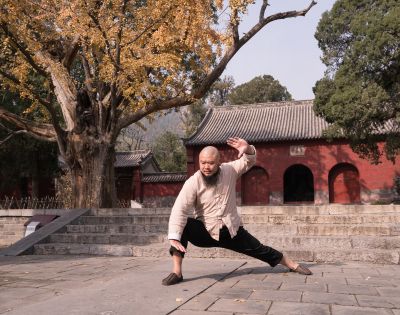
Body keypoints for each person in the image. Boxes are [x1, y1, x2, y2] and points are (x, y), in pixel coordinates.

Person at [162, 137, 312, 286]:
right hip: (206, 231)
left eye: (211, 163)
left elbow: (249, 161)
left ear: (218, 162)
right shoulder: (193, 182)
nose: (206, 167)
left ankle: (292, 264)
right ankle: (177, 272)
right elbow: (179, 208)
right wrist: (175, 236)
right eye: (203, 163)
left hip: (231, 230)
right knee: (183, 226)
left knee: (259, 249)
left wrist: (247, 149)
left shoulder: (229, 170)